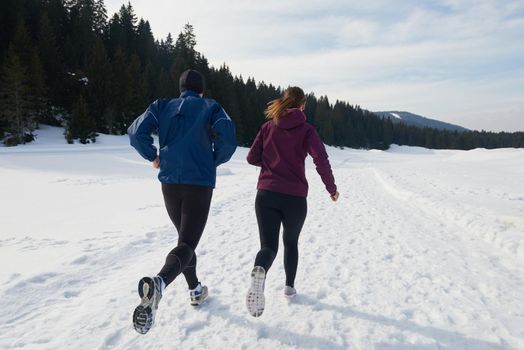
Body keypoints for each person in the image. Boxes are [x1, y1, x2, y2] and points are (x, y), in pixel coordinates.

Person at [128, 69, 237, 334]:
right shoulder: (211, 106)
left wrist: (153, 156)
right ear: (201, 89)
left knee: (184, 242)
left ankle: (195, 289)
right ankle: (159, 283)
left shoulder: (161, 106)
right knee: (187, 243)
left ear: (180, 88)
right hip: (198, 182)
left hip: (169, 183)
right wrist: (214, 158)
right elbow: (229, 138)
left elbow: (135, 132)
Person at [245, 86, 339, 317]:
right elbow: (321, 160)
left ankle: (260, 271)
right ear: (302, 105)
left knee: (268, 247)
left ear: (283, 102)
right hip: (295, 198)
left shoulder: (268, 127)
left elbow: (251, 157)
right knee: (291, 242)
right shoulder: (307, 130)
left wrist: (272, 166)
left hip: (266, 194)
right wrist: (332, 189)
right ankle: (289, 287)